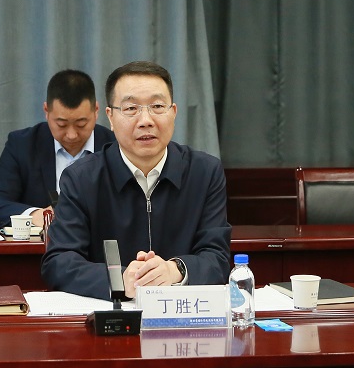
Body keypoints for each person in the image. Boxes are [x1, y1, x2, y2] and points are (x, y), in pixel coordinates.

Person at [41, 61, 231, 300]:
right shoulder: (81, 178)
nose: (146, 120)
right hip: (113, 314)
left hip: (180, 313)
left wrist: (175, 270)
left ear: (173, 112)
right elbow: (59, 262)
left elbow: (217, 257)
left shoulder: (204, 172)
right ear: (110, 117)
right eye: (131, 108)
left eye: (157, 106)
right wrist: (119, 279)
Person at [0, 69, 115, 229]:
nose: (71, 135)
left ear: (96, 111)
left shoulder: (116, 146)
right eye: (61, 125)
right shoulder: (23, 144)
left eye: (81, 124)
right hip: (42, 244)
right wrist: (35, 215)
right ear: (46, 111)